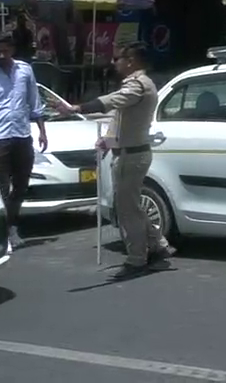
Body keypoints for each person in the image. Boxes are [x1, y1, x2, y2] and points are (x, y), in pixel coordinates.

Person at [57, 41, 173, 280]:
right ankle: (159, 245)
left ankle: (137, 258)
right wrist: (107, 140)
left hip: (131, 155)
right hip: (128, 152)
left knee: (125, 210)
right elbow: (119, 117)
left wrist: (76, 107)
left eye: (118, 58)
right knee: (131, 205)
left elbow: (110, 101)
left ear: (131, 61)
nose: (115, 63)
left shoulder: (138, 86)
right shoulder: (139, 85)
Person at [0, 32, 49, 250]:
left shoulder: (25, 70)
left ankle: (11, 224)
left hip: (22, 136)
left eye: (5, 51)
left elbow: (35, 102)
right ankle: (5, 230)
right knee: (2, 188)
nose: (1, 55)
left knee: (21, 186)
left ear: (12, 50)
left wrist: (42, 130)